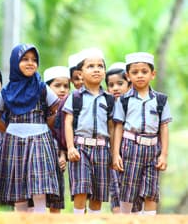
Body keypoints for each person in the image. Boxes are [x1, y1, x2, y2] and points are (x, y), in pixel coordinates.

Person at [0, 43, 60, 213]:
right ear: (15, 62)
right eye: (25, 59)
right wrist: (10, 131)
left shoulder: (41, 87)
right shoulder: (7, 91)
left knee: (40, 185)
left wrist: (44, 126)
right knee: (18, 186)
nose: (30, 63)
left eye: (34, 60)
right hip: (14, 142)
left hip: (39, 140)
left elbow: (56, 108)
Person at [112, 52, 172, 215]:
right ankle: (126, 219)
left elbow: (164, 127)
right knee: (128, 189)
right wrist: (116, 154)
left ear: (153, 74)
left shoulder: (161, 100)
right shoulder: (124, 100)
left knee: (151, 191)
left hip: (153, 149)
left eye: (144, 72)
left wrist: (164, 155)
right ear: (128, 76)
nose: (140, 75)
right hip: (130, 147)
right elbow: (118, 127)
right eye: (135, 72)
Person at [63, 47, 114, 214]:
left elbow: (112, 127)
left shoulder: (109, 99)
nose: (96, 69)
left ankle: (93, 219)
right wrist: (70, 147)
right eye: (90, 66)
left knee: (98, 195)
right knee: (81, 188)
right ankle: (78, 218)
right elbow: (68, 122)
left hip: (102, 149)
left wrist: (114, 153)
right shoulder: (75, 97)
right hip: (80, 148)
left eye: (100, 66)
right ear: (80, 73)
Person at [43, 66, 70, 213]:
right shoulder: (40, 109)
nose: (62, 90)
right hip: (40, 156)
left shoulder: (70, 111)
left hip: (58, 158)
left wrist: (62, 155)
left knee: (56, 198)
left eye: (66, 86)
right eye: (57, 85)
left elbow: (64, 137)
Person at [105, 62, 131, 214]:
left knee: (132, 192)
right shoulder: (108, 105)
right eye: (111, 84)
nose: (115, 88)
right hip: (112, 154)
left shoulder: (133, 103)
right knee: (115, 192)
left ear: (129, 83)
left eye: (120, 83)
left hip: (133, 152)